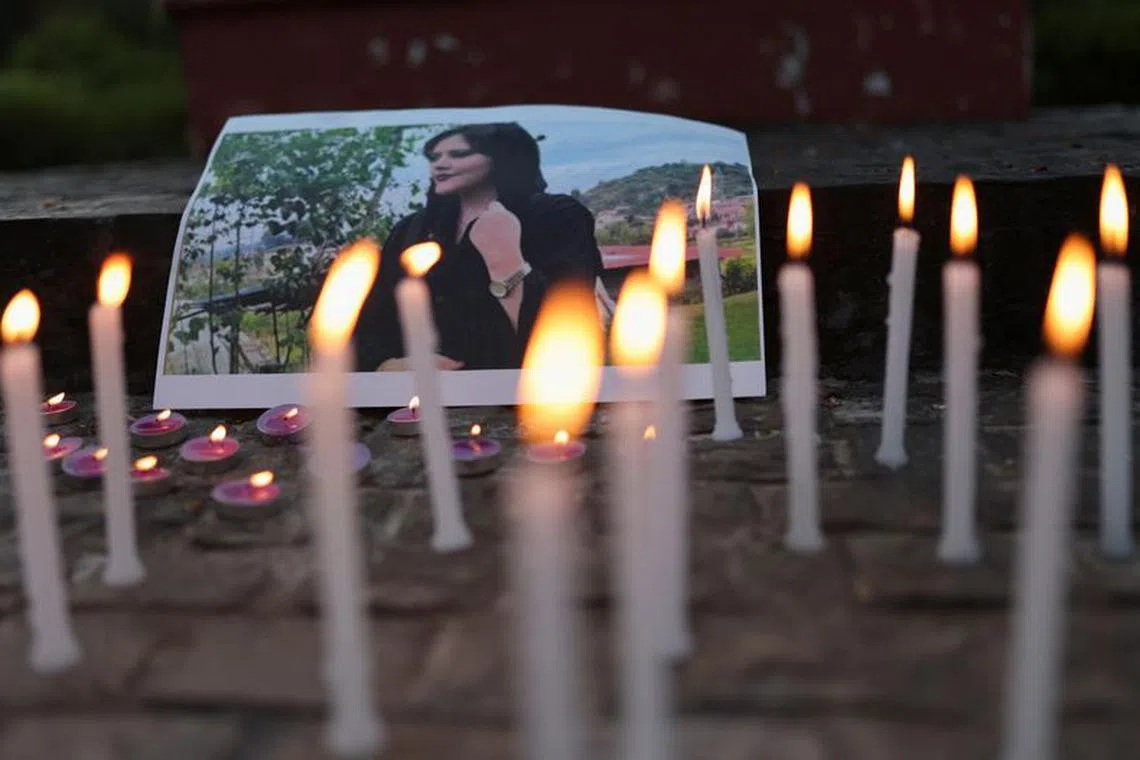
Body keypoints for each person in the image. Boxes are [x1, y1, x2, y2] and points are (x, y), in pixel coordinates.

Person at [352, 122, 607, 372]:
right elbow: (373, 318)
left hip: (526, 396)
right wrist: (387, 366)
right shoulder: (411, 230)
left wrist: (506, 261)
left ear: (500, 157)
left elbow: (568, 321)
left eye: (459, 154)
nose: (440, 163)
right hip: (419, 401)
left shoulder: (556, 215)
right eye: (434, 156)